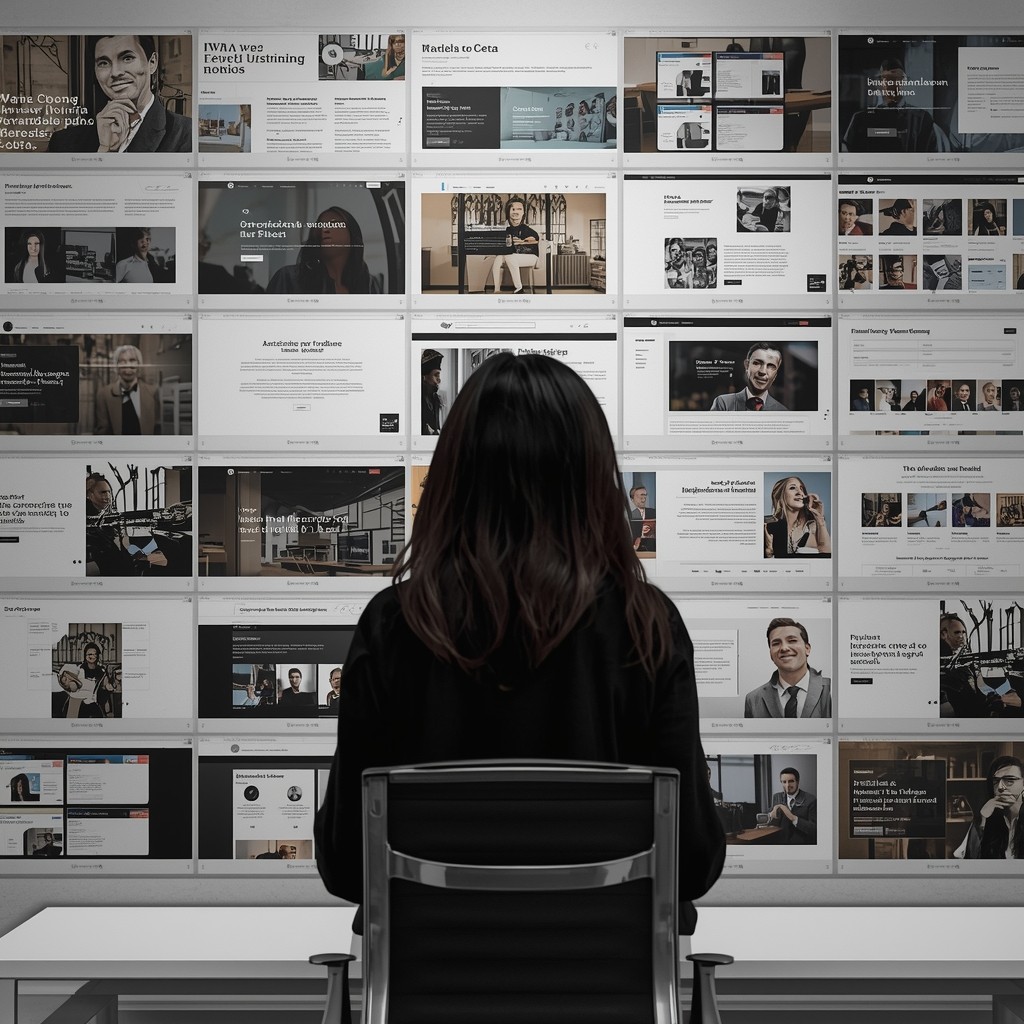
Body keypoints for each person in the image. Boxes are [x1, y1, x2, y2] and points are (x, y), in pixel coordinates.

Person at [314, 353, 725, 930]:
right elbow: (695, 859)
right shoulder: (645, 623)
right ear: (590, 475)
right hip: (604, 985)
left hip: (433, 987)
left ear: (455, 473)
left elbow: (344, 862)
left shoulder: (393, 624)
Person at [47, 35, 191, 153]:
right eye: (103, 63)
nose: (115, 72)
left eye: (127, 58)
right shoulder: (64, 143)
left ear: (152, 62)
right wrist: (105, 151)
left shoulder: (187, 135)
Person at [267, 207, 379, 295]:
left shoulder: (368, 283)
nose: (324, 229)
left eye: (334, 224)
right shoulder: (287, 277)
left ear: (352, 235)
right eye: (319, 225)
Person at [743, 618, 831, 719]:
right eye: (776, 643)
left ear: (807, 649)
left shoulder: (831, 691)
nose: (784, 648)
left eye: (792, 641)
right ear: (770, 653)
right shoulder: (753, 699)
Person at [939, 612, 1021, 717]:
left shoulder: (966, 665)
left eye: (964, 632)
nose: (962, 636)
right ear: (943, 634)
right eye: (957, 632)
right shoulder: (939, 669)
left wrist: (995, 696)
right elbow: (947, 711)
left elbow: (981, 686)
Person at [955, 756, 1024, 860]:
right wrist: (982, 819)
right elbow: (968, 860)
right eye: (996, 781)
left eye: (1010, 780)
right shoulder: (989, 819)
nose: (1000, 787)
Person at [95, 343, 159, 435]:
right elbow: (101, 433)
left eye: (132, 360)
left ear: (139, 364)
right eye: (122, 361)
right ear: (116, 366)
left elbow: (157, 430)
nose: (127, 365)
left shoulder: (152, 392)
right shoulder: (104, 395)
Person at [763, 475, 831, 557]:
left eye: (801, 489)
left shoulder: (811, 527)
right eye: (792, 488)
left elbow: (827, 555)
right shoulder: (767, 526)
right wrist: (769, 552)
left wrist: (820, 520)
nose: (800, 493)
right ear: (779, 498)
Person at [710, 344, 787, 411]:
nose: (763, 371)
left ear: (775, 375)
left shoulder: (782, 411)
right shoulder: (723, 403)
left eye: (771, 366)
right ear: (746, 365)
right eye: (756, 363)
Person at [490, 197, 540, 295]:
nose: (516, 212)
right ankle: (496, 289)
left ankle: (519, 288)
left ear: (523, 213)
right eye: (513, 209)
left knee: (508, 255)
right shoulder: (506, 230)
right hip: (512, 256)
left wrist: (521, 241)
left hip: (531, 256)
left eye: (519, 209)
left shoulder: (527, 229)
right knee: (499, 258)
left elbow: (534, 240)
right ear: (508, 212)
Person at [767, 767, 816, 844]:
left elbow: (814, 829)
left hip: (802, 846)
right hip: (780, 843)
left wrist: (793, 818)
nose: (787, 785)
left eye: (791, 781)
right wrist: (771, 814)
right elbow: (772, 820)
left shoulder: (811, 799)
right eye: (784, 782)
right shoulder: (776, 797)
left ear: (798, 781)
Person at [420, 349, 444, 435]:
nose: (439, 380)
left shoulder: (436, 399)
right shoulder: (417, 400)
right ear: (424, 377)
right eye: (435, 375)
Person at [628, 484, 656, 553]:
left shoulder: (654, 512)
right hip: (635, 552)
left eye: (645, 495)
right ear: (632, 499)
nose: (643, 498)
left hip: (654, 551)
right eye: (639, 496)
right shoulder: (629, 516)